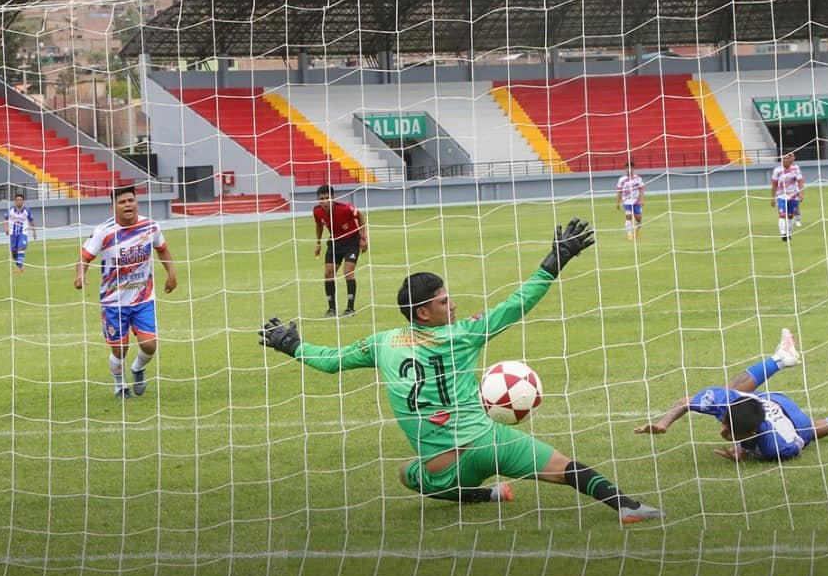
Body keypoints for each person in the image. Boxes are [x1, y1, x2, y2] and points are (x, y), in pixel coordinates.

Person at [258, 218, 664, 524]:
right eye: (443, 301)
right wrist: (554, 261)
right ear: (424, 312)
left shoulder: (382, 343)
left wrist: (291, 345)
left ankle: (487, 496)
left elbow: (331, 362)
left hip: (443, 466)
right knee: (564, 468)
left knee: (407, 474)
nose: (451, 305)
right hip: (490, 441)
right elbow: (516, 304)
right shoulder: (462, 335)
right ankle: (628, 507)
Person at [634, 328, 828, 461]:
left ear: (753, 435)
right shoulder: (726, 403)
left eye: (730, 434)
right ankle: (780, 359)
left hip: (791, 421)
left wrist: (747, 453)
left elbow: (797, 449)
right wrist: (663, 423)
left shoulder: (774, 447)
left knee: (808, 430)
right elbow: (684, 402)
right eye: (725, 425)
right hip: (769, 401)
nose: (723, 432)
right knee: (728, 387)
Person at [76, 185, 178, 400]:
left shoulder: (150, 226)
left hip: (143, 298)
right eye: (122, 202)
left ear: (136, 202)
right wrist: (80, 275)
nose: (128, 205)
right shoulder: (105, 232)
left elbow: (162, 249)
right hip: (113, 302)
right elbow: (84, 256)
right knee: (119, 350)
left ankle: (138, 368)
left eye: (131, 200)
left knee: (150, 345)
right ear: (113, 206)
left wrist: (171, 273)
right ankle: (119, 385)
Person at [313, 184, 367, 317]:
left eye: (327, 198)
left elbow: (360, 216)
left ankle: (350, 308)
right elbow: (319, 225)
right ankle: (331, 309)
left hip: (351, 242)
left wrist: (363, 237)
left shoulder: (345, 208)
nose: (325, 201)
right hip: (335, 244)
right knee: (328, 273)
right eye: (322, 198)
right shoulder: (317, 211)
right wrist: (318, 244)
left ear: (333, 197)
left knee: (348, 272)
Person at [770, 153, 805, 242]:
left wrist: (801, 193)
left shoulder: (795, 169)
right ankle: (783, 234)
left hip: (792, 195)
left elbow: (800, 181)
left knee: (790, 216)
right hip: (781, 196)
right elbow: (774, 185)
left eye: (787, 158)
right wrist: (772, 198)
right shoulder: (777, 170)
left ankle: (789, 233)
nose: (785, 160)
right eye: (784, 158)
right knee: (782, 215)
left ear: (790, 160)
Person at [3, 192, 37, 273]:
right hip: (13, 233)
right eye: (17, 200)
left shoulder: (27, 210)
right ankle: (20, 267)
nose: (19, 201)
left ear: (23, 201)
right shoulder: (10, 210)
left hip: (23, 232)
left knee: (21, 247)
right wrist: (6, 228)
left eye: (20, 200)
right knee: (14, 252)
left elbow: (31, 221)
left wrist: (34, 231)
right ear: (15, 201)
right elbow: (5, 219)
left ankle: (20, 268)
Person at [615, 162, 645, 241]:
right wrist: (617, 202)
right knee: (628, 216)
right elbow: (619, 191)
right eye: (627, 168)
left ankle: (638, 229)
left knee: (638, 217)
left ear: (633, 169)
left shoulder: (637, 178)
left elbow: (641, 188)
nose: (629, 170)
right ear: (625, 169)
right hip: (627, 201)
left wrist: (642, 199)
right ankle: (629, 234)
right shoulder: (621, 179)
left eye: (631, 168)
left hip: (636, 201)